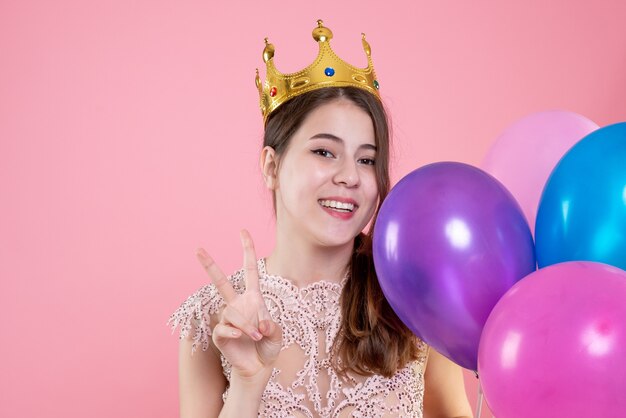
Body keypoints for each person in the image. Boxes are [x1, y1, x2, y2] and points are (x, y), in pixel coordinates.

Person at [168, 20, 473, 418]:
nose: (349, 176)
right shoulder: (213, 320)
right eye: (324, 152)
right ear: (272, 166)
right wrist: (246, 386)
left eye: (366, 159)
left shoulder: (414, 303)